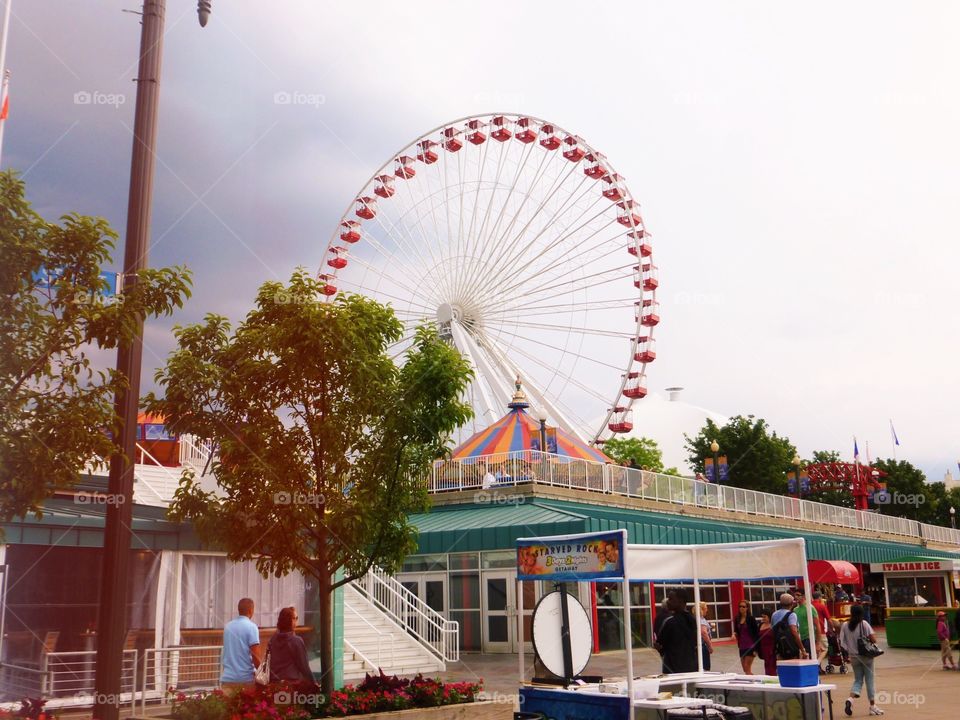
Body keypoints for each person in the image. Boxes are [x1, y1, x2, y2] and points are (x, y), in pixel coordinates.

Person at [840, 604, 883, 716]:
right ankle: (872, 706)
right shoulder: (864, 624)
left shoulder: (845, 625)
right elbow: (873, 639)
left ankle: (850, 699)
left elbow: (842, 642)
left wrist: (849, 651)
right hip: (866, 656)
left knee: (858, 680)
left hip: (854, 656)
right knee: (870, 680)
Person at [268, 607, 317, 689]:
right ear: (291, 620)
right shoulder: (296, 641)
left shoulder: (273, 639)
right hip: (291, 685)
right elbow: (304, 667)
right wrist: (314, 682)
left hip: (273, 684)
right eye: (295, 618)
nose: (296, 621)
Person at [221, 598, 261, 691]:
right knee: (247, 705)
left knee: (228, 705)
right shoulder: (252, 627)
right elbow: (255, 656)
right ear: (251, 610)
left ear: (239, 610)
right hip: (245, 680)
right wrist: (262, 673)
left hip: (227, 678)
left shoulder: (228, 627)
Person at [655, 588, 698, 673]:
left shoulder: (670, 622)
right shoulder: (692, 620)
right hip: (691, 668)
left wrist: (659, 648)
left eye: (670, 599)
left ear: (680, 601)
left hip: (672, 670)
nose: (667, 601)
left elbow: (660, 644)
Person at [771, 593, 808, 660]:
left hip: (779, 647)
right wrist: (802, 649)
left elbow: (773, 630)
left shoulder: (774, 614)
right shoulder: (792, 615)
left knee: (781, 668)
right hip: (791, 647)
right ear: (792, 604)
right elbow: (794, 632)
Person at [734, 600, 760, 674]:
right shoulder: (737, 618)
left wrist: (756, 648)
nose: (741, 608)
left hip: (750, 646)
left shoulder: (751, 618)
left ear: (747, 608)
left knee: (747, 667)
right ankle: (752, 680)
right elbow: (736, 630)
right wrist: (734, 634)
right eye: (740, 606)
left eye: (743, 607)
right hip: (742, 646)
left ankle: (753, 683)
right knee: (745, 669)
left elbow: (756, 633)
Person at [794, 592, 821, 658]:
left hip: (809, 638)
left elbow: (817, 625)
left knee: (811, 658)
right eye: (794, 595)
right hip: (800, 638)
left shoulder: (810, 608)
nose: (796, 597)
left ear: (804, 596)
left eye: (798, 595)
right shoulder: (795, 609)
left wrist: (818, 643)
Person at [812, 591, 832, 666]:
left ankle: (818, 666)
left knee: (816, 650)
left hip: (810, 631)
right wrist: (832, 629)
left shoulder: (809, 606)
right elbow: (829, 620)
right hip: (821, 631)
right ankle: (817, 663)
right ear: (820, 597)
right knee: (824, 648)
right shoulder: (822, 606)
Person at [756, 608, 777, 676]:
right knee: (766, 666)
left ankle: (773, 680)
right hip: (763, 649)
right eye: (762, 616)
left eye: (765, 616)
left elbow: (777, 638)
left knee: (772, 667)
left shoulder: (773, 625)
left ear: (769, 616)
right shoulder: (760, 625)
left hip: (771, 650)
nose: (763, 618)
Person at [698, 601, 714, 671]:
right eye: (706, 608)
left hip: (699, 646)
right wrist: (710, 646)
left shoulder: (696, 618)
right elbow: (704, 633)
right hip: (703, 646)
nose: (707, 610)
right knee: (705, 668)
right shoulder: (701, 620)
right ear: (702, 609)